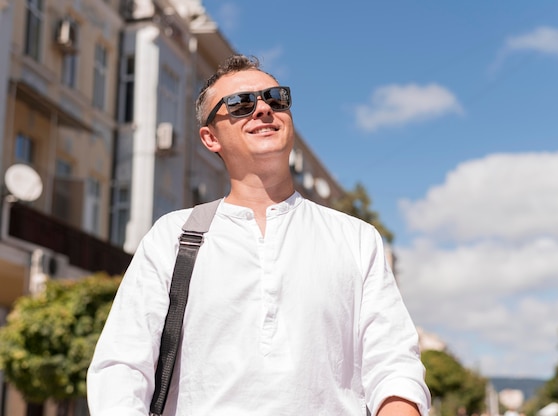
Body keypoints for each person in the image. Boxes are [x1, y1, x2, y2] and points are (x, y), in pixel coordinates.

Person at [87, 54, 431, 416]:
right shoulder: (173, 236)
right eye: (240, 104)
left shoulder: (356, 238)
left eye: (276, 98)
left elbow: (394, 365)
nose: (263, 108)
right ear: (210, 137)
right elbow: (122, 365)